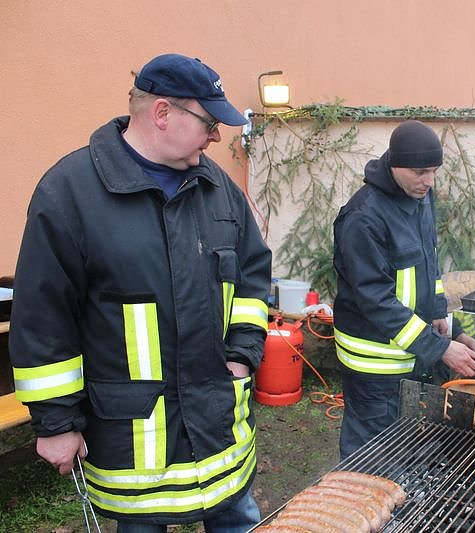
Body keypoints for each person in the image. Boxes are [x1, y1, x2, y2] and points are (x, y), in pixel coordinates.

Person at [10, 53, 272, 531]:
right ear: (162, 113)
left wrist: (243, 353)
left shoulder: (220, 190)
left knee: (238, 518)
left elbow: (253, 276)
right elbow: (43, 317)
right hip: (135, 445)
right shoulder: (69, 193)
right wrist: (56, 422)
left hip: (221, 429)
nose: (217, 136)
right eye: (209, 122)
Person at [333, 120, 475, 459]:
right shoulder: (363, 217)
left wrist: (445, 321)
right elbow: (376, 300)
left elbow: (428, 265)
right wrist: (439, 348)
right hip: (372, 362)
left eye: (434, 171)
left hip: (409, 353)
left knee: (400, 449)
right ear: (394, 164)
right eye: (420, 172)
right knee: (369, 457)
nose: (429, 181)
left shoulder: (419, 199)